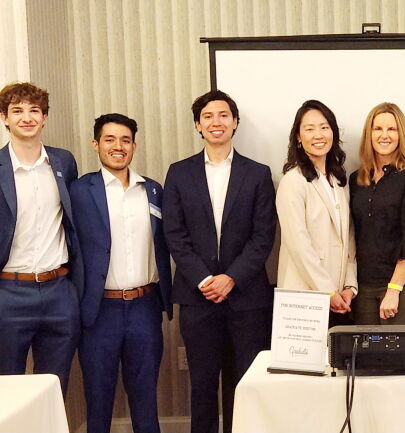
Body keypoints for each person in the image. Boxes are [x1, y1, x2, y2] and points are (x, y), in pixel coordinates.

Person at [163, 90, 276, 433]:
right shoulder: (179, 173)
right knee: (202, 385)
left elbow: (263, 236)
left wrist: (231, 278)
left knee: (245, 384)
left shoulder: (257, 173)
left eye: (224, 115)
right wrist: (204, 279)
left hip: (247, 298)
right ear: (198, 125)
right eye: (208, 116)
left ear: (235, 122)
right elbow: (174, 234)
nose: (216, 122)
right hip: (198, 298)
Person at [70, 113, 172, 433]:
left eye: (125, 140)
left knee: (144, 398)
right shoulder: (78, 191)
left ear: (134, 146)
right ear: (96, 144)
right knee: (98, 400)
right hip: (100, 311)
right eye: (110, 139)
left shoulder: (152, 190)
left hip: (145, 306)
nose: (118, 146)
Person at [0, 82, 82, 394]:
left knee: (54, 389)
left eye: (34, 110)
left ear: (44, 117)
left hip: (59, 291)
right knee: (7, 393)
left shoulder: (63, 162)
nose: (27, 117)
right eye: (17, 110)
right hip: (9, 292)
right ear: (4, 118)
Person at [276, 100, 357, 325]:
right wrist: (328, 291)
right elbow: (299, 244)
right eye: (309, 129)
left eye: (324, 127)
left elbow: (348, 238)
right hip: (306, 296)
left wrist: (350, 286)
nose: (318, 135)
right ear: (298, 138)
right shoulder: (293, 181)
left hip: (340, 296)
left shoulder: (338, 180)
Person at [349, 102, 405, 325]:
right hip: (364, 287)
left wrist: (394, 289)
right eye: (378, 129)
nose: (384, 136)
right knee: (367, 359)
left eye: (392, 129)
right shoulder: (356, 179)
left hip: (403, 286)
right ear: (369, 134)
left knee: (401, 358)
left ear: (401, 134)